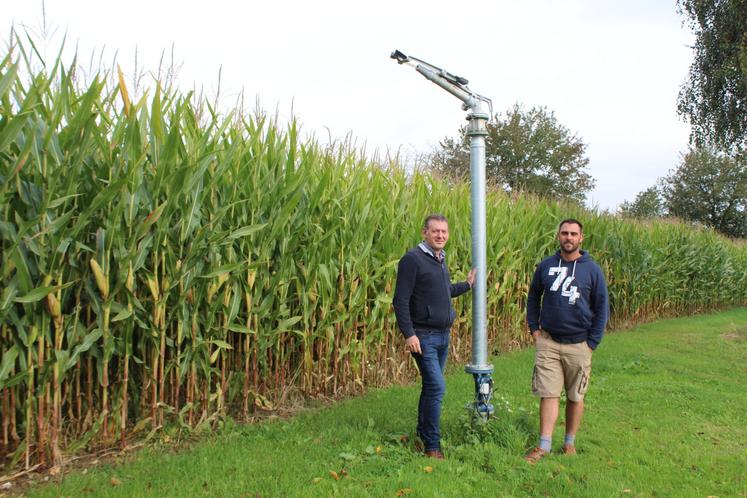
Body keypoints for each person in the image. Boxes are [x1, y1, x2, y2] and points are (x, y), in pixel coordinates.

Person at [524, 218, 609, 463]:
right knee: (548, 393)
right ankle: (544, 445)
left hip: (579, 344)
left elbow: (602, 306)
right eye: (564, 233)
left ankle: (569, 442)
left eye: (573, 234)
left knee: (575, 396)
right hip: (548, 342)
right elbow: (533, 297)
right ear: (558, 236)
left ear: (581, 238)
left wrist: (592, 342)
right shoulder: (546, 266)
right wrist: (534, 329)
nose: (568, 237)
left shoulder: (592, 270)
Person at [393, 214, 476, 459]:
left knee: (430, 388)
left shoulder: (440, 259)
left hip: (442, 336)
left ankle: (421, 435)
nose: (440, 235)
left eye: (444, 232)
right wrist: (409, 334)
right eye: (435, 231)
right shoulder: (413, 259)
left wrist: (467, 285)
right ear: (424, 232)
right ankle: (432, 446)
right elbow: (400, 300)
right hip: (423, 336)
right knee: (437, 388)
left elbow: (443, 291)